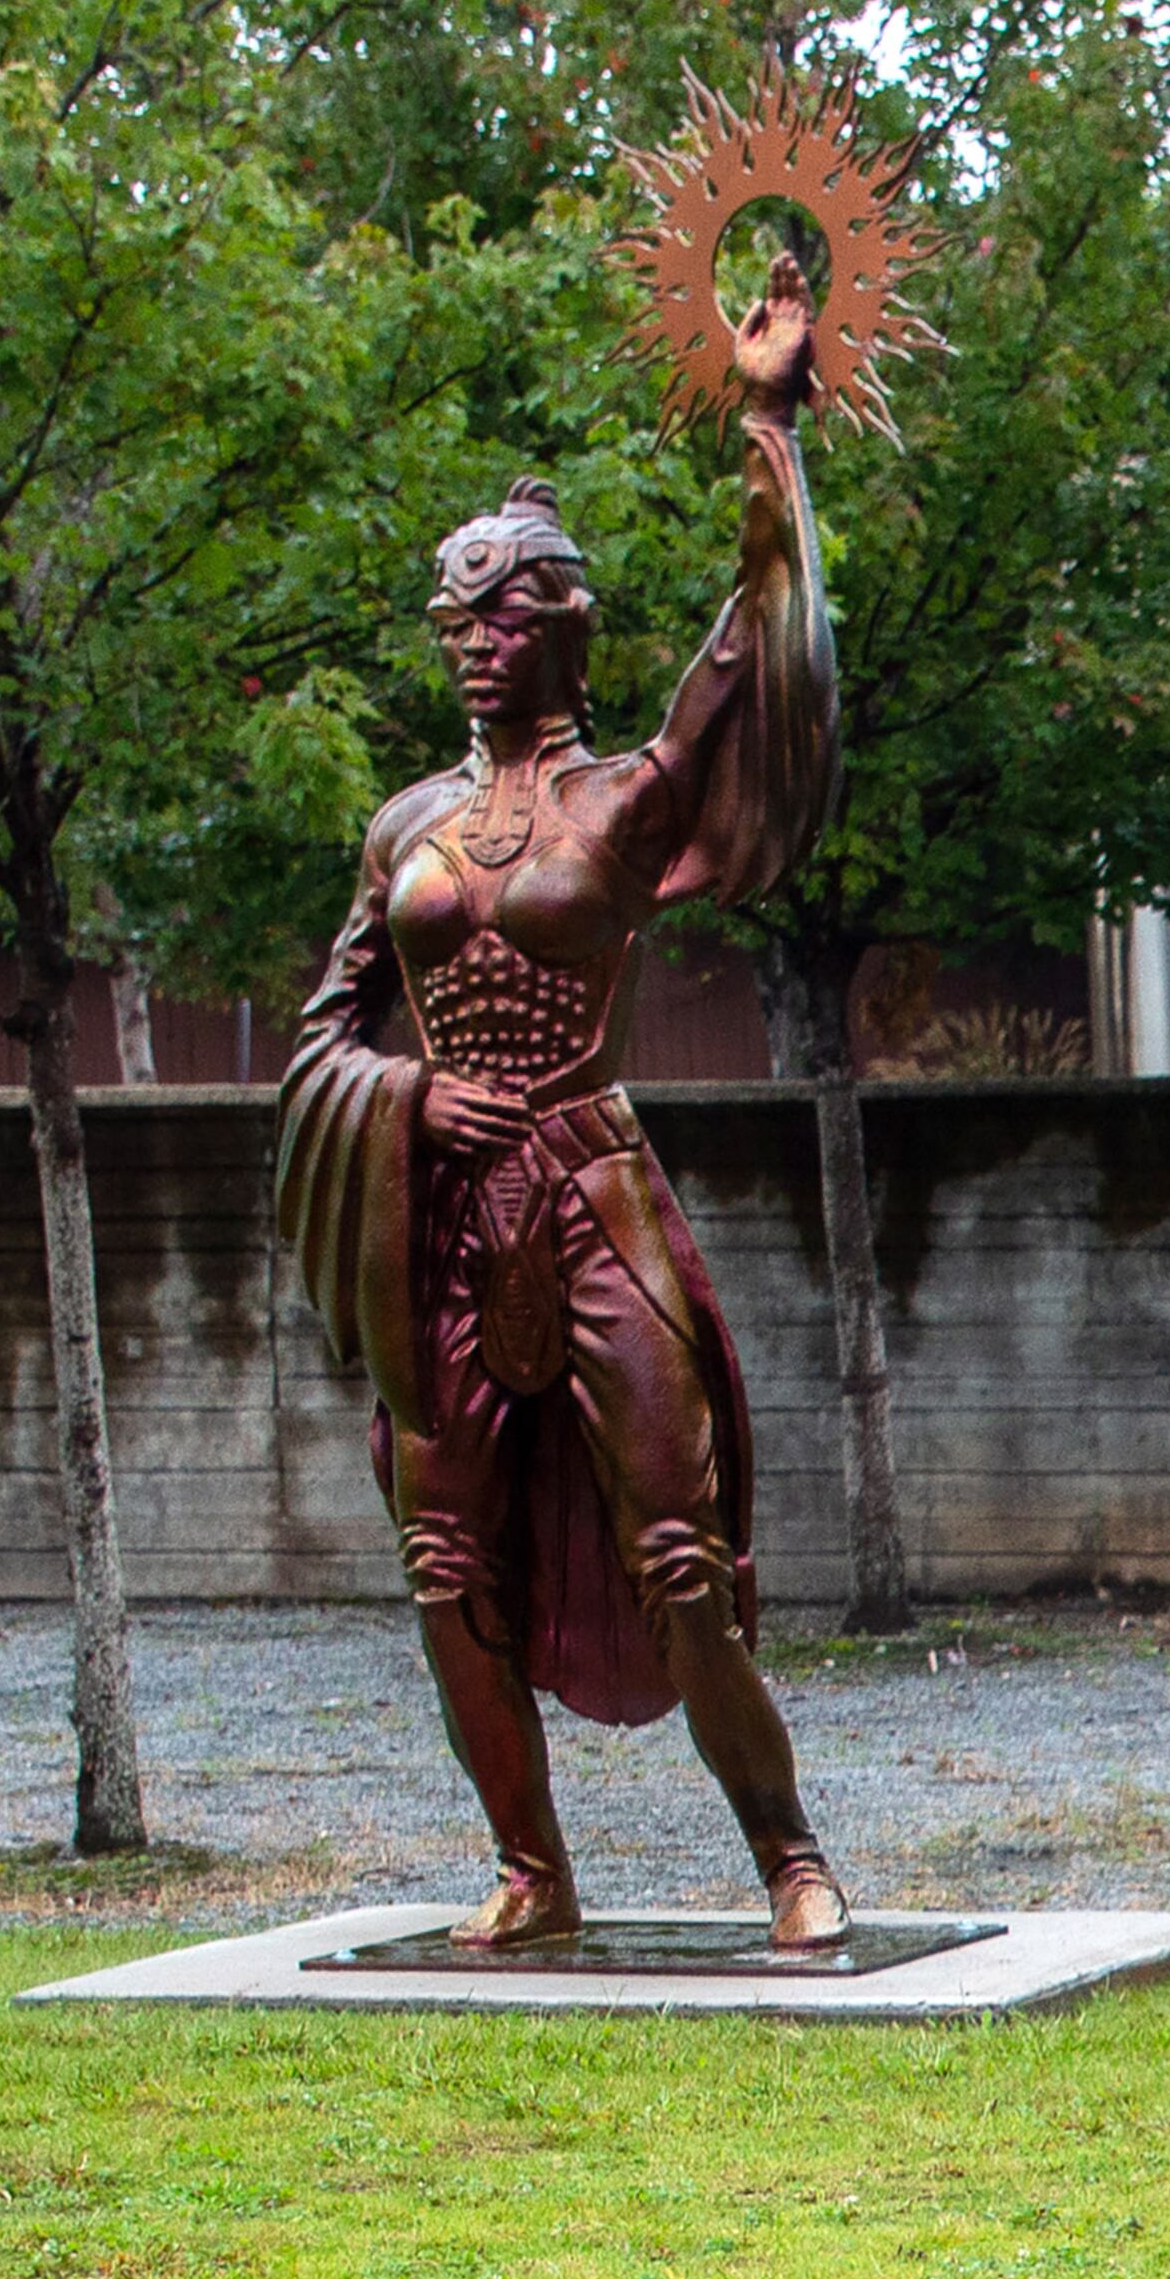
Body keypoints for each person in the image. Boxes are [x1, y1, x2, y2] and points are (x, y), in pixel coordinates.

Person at [275, 257, 847, 1953]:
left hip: (590, 1189)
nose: (475, 646)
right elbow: (323, 1034)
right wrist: (400, 1096)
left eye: (506, 616)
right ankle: (533, 1867)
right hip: (440, 1216)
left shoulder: (628, 798)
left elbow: (754, 655)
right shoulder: (404, 833)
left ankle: (790, 1855)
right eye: (456, 621)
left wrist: (767, 424)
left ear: (566, 624)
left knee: (683, 1552)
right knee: (446, 1561)